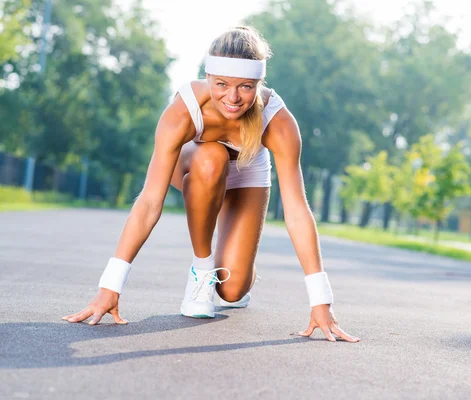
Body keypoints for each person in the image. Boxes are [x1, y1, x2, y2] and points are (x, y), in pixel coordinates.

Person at [62, 26, 359, 343]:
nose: (232, 98)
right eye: (222, 85)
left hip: (248, 172)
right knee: (211, 158)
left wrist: (320, 300)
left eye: (245, 87)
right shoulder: (184, 110)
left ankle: (240, 263)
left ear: (258, 83)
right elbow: (149, 201)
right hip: (197, 166)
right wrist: (111, 285)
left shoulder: (278, 121)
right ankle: (202, 270)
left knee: (231, 290)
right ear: (208, 76)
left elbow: (298, 211)